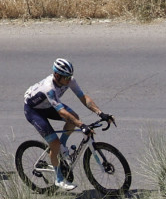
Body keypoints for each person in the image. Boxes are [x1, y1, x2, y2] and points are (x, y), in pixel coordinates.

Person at [23, 58, 114, 190]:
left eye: (70, 76)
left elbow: (84, 98)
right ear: (57, 75)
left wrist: (101, 113)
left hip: (48, 106)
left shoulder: (70, 80)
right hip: (34, 111)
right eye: (66, 77)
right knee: (54, 142)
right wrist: (81, 125)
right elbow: (61, 111)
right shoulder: (49, 88)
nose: (68, 80)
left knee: (74, 118)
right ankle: (59, 179)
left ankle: (62, 147)